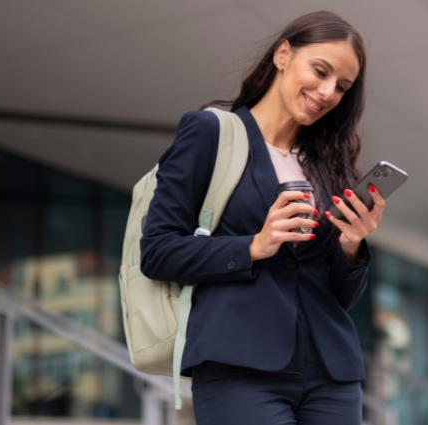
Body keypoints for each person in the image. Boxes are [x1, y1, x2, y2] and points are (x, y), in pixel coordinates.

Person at [139, 10, 383, 425]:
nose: (327, 92)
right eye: (320, 71)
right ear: (283, 54)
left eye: (341, 86)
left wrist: (351, 246)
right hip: (240, 367)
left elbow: (341, 298)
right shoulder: (210, 133)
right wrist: (255, 245)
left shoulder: (330, 163)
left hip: (332, 373)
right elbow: (158, 252)